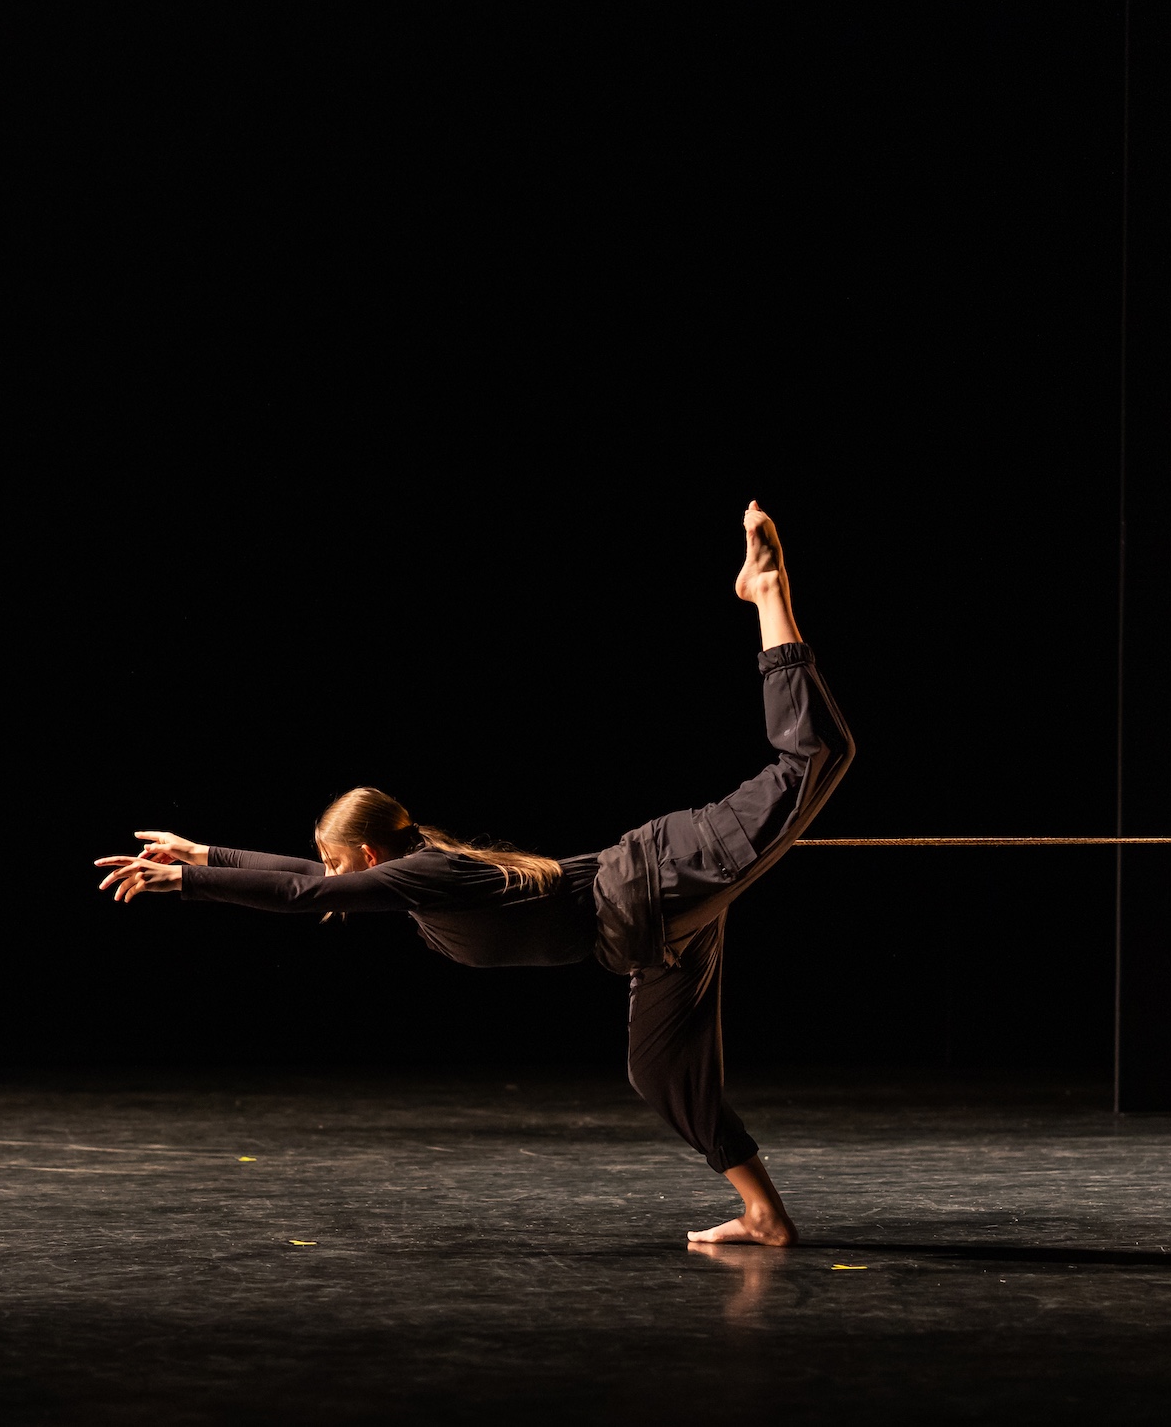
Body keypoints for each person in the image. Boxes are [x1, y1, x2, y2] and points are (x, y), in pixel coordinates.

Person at [91, 502, 855, 1246]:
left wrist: (189, 884)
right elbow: (306, 876)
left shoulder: (424, 875)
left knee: (809, 760)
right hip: (650, 936)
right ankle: (764, 1216)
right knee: (662, 1075)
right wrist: (210, 854)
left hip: (657, 879)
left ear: (364, 860)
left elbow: (303, 891)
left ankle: (766, 599)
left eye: (338, 865)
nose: (334, 880)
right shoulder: (416, 874)